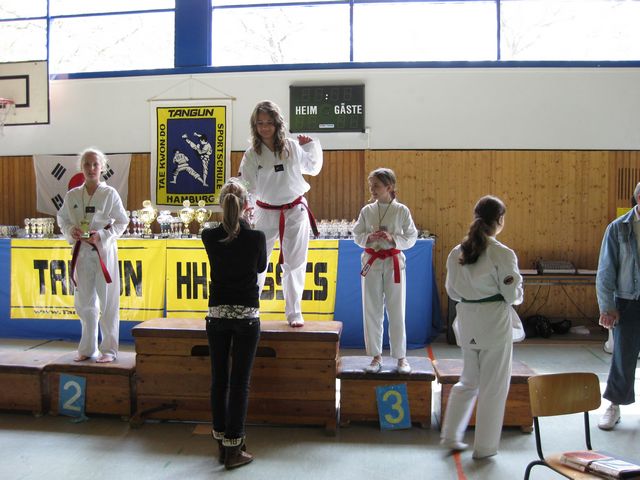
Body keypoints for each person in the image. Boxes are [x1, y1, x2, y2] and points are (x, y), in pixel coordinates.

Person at [441, 195, 524, 459]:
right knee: (494, 388)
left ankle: (451, 436)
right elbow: (512, 295)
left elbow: (452, 291)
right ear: (500, 220)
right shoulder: (502, 253)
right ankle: (485, 448)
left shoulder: (457, 252)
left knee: (468, 381)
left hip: (467, 321)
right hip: (493, 323)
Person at [238, 100, 322, 327]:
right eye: (260, 123)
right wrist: (247, 206)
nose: (265, 127)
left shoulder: (292, 147)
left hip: (294, 210)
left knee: (295, 263)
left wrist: (311, 146)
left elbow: (312, 168)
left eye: (269, 122)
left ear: (277, 123)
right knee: (257, 263)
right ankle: (251, 309)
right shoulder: (252, 154)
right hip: (264, 212)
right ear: (254, 126)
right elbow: (247, 184)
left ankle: (294, 312)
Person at [202, 178, 267, 470]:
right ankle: (234, 447)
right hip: (246, 316)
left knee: (219, 380)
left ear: (221, 204)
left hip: (217, 314)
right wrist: (248, 225)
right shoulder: (256, 237)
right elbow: (260, 266)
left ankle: (220, 443)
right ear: (246, 205)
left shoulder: (208, 235)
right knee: (240, 383)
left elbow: (227, 239)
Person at [56, 148, 129, 363]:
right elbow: (62, 219)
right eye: (87, 164)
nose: (91, 168)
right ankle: (87, 348)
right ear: (81, 167)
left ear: (102, 167)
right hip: (81, 252)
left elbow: (122, 221)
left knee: (107, 302)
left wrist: (102, 235)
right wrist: (71, 230)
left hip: (103, 252)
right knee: (84, 302)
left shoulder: (109, 194)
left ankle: (109, 350)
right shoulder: (72, 195)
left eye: (95, 164)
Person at [353, 168, 418, 374]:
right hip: (372, 261)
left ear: (389, 187)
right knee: (372, 309)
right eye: (370, 185)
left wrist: (393, 239)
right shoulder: (367, 211)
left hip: (393, 262)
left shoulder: (401, 211)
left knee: (396, 309)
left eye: (376, 186)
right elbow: (356, 234)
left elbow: (411, 236)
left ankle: (401, 357)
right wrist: (368, 238)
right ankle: (375, 356)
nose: (372, 189)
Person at [595, 182, 640, 431]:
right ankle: (614, 405)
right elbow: (606, 270)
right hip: (627, 300)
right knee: (623, 355)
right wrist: (607, 307)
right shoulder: (618, 228)